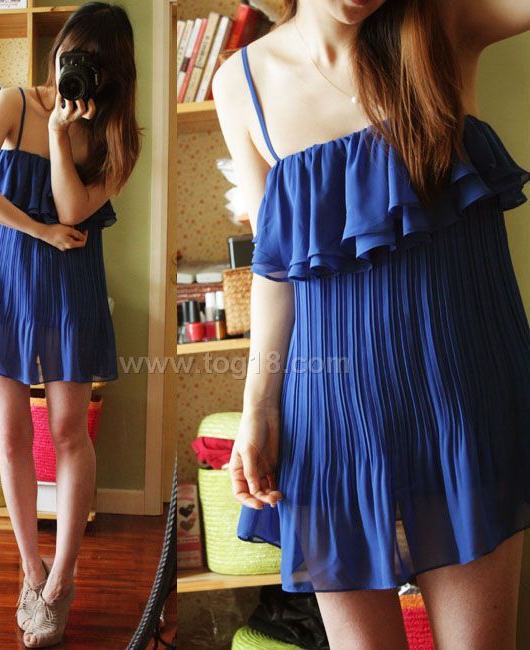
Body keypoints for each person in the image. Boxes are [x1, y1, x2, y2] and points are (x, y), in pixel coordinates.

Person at [212, 1, 530, 648]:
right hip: (332, 421)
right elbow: (275, 267)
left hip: (465, 402)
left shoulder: (443, 22)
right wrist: (257, 407)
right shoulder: (239, 82)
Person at [0, 2, 141, 647]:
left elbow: (72, 208)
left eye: (93, 63)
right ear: (59, 48)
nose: (76, 68)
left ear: (114, 74)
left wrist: (61, 135)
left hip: (70, 292)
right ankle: (30, 571)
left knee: (67, 432)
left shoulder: (116, 138)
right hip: (4, 284)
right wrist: (37, 232)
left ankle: (63, 578)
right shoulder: (11, 103)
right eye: (71, 54)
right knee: (8, 433)